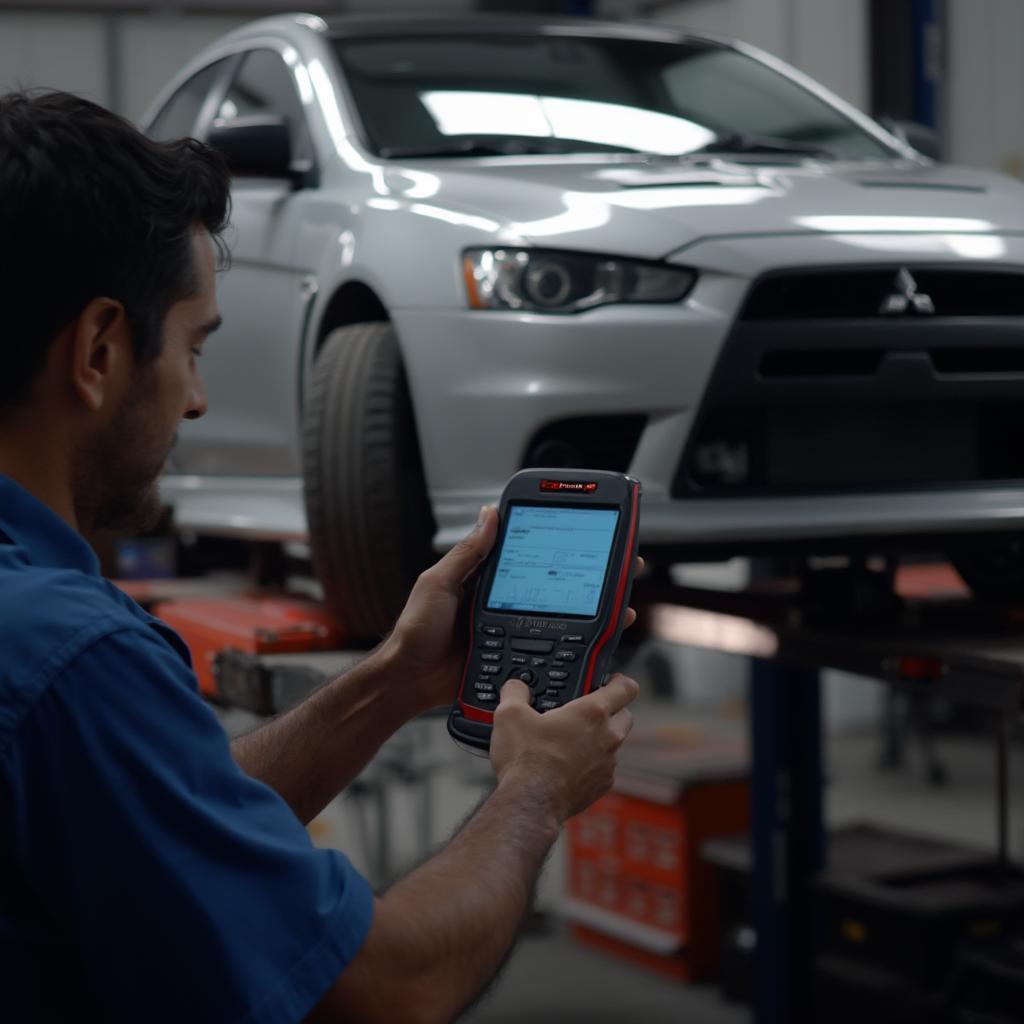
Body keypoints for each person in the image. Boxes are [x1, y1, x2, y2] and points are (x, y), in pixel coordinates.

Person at [0, 90, 640, 1023]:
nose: (196, 403)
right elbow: (385, 988)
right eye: (193, 347)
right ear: (99, 350)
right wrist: (539, 788)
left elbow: (163, 825)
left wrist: (394, 679)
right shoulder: (68, 656)